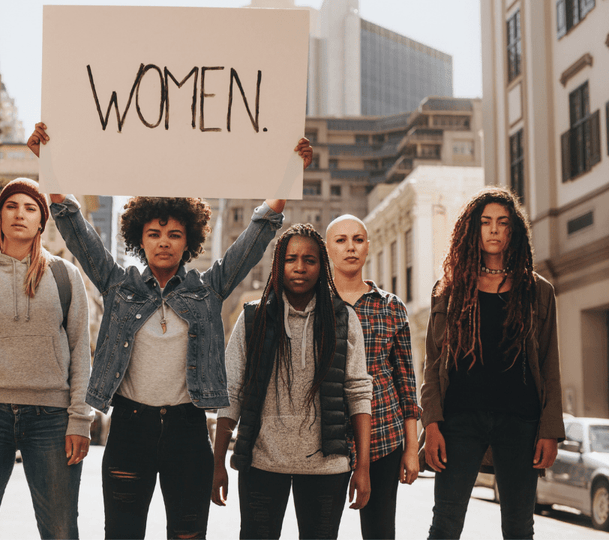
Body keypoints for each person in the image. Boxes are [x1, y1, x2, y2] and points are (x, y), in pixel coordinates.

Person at [27, 122, 313, 539]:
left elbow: (256, 237)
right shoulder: (118, 285)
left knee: (188, 533)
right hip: (129, 427)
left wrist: (289, 173)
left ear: (189, 241)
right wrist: (49, 167)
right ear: (139, 238)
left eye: (175, 234)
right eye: (154, 233)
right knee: (123, 533)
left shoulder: (209, 289)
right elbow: (77, 231)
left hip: (188, 430)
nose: (164, 241)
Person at [0, 177, 92, 540]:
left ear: (42, 221)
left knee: (60, 530)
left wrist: (80, 420)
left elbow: (81, 355)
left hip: (52, 420)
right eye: (11, 206)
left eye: (30, 208)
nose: (20, 214)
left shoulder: (65, 277)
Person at [212, 223, 373, 540]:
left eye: (310, 260)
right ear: (277, 264)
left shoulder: (343, 319)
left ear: (321, 265)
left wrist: (363, 467)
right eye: (291, 259)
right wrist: (218, 462)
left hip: (328, 467)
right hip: (262, 463)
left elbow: (358, 393)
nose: (300, 267)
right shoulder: (252, 319)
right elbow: (231, 392)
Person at [420, 187, 563, 539]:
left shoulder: (537, 291)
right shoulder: (450, 289)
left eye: (502, 222)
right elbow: (433, 363)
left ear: (513, 230)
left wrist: (549, 429)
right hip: (459, 420)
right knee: (445, 524)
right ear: (474, 229)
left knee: (519, 527)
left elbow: (549, 363)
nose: (494, 229)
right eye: (485, 222)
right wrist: (433, 422)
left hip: (520, 421)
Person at [326, 214, 420, 539]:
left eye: (358, 239)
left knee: (380, 533)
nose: (350, 247)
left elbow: (407, 383)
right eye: (341, 240)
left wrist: (410, 448)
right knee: (321, 531)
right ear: (328, 249)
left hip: (384, 436)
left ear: (367, 247)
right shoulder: (315, 305)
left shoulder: (391, 307)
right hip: (327, 439)